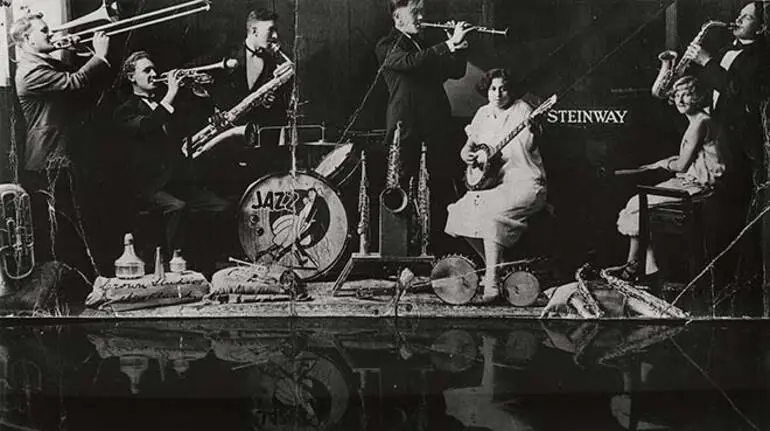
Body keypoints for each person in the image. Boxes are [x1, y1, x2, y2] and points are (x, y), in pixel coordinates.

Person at [12, 12, 111, 275]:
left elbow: (78, 78)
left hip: (58, 155)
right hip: (48, 157)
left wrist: (84, 50)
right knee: (71, 225)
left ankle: (91, 279)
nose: (51, 34)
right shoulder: (31, 70)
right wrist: (99, 56)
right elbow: (75, 82)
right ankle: (89, 281)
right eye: (44, 31)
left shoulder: (43, 63)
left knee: (77, 222)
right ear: (26, 39)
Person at [113, 51, 230, 271]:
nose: (155, 74)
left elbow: (192, 124)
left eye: (154, 69)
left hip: (177, 181)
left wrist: (204, 97)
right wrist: (172, 93)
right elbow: (148, 126)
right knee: (177, 208)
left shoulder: (167, 104)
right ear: (131, 77)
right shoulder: (124, 111)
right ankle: (173, 268)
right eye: (147, 70)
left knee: (221, 207)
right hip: (148, 186)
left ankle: (207, 264)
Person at [375, 0, 474, 255]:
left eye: (421, 12)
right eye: (415, 13)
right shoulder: (387, 46)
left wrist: (458, 45)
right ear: (398, 19)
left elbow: (456, 71)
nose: (421, 17)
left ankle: (440, 251)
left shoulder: (426, 46)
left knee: (440, 186)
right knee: (404, 188)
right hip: (406, 129)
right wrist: (449, 44)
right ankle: (402, 253)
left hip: (436, 128)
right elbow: (410, 62)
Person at [608, 76, 725, 290]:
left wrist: (660, 165)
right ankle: (646, 268)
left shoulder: (700, 123)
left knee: (636, 204)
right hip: (693, 182)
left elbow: (681, 166)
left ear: (697, 96)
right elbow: (685, 160)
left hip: (700, 188)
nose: (680, 100)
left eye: (687, 94)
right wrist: (661, 163)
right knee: (636, 207)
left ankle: (635, 268)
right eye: (677, 95)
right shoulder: (699, 120)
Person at [683, 1, 769, 292]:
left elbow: (737, 91)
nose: (738, 19)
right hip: (716, 140)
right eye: (740, 14)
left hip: (741, 147)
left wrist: (707, 62)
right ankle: (713, 282)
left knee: (730, 217)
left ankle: (729, 287)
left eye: (747, 17)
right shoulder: (726, 50)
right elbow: (714, 89)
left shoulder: (762, 55)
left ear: (763, 26)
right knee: (716, 217)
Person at [444, 69, 547, 303]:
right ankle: (496, 268)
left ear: (511, 90)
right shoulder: (482, 113)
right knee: (458, 211)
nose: (498, 94)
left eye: (503, 88)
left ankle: (491, 284)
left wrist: (534, 128)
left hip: (525, 183)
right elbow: (467, 149)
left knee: (490, 216)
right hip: (493, 185)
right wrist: (467, 157)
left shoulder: (523, 110)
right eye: (493, 88)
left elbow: (531, 141)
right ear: (487, 90)